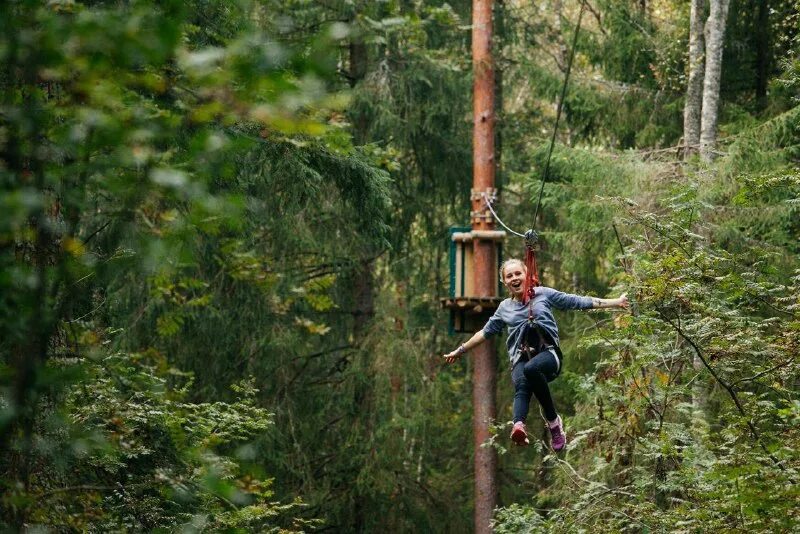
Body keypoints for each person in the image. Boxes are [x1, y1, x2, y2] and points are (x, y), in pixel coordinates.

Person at [443, 258, 629, 451]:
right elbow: (484, 333)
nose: (514, 278)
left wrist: (616, 302)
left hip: (548, 355)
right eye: (509, 276)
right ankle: (518, 426)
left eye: (518, 274)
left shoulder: (543, 295)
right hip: (520, 358)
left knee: (531, 370)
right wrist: (460, 350)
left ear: (526, 275)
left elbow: (578, 301)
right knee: (522, 383)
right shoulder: (504, 308)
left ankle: (554, 423)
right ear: (504, 282)